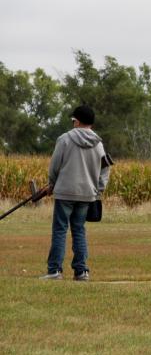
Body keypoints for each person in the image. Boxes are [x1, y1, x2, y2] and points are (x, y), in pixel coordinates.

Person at [40, 105, 111, 281]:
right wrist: (98, 190)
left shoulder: (64, 139)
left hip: (65, 192)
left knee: (60, 230)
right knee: (79, 230)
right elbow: (105, 170)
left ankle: (54, 270)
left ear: (76, 121)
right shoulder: (99, 144)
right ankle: (81, 271)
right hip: (87, 194)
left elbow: (55, 165)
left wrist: (52, 184)